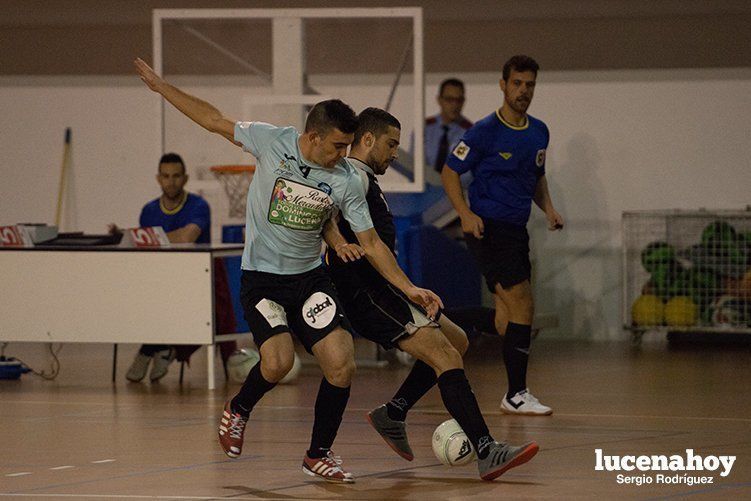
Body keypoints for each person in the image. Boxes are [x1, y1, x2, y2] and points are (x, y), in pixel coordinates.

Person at [134, 57, 442, 484]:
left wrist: (409, 288)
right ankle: (239, 409)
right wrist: (163, 88)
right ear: (312, 137)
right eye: (336, 146)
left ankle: (318, 454)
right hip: (262, 279)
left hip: (309, 279)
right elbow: (213, 119)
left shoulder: (348, 179)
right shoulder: (270, 141)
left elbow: (371, 243)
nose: (343, 155)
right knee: (276, 364)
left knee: (341, 362)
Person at [322, 107, 539, 480]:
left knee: (457, 342)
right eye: (391, 145)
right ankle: (487, 450)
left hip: (384, 288)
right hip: (367, 294)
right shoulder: (350, 177)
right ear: (368, 139)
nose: (395, 154)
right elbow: (342, 229)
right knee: (445, 357)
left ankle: (394, 412)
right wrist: (405, 285)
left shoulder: (361, 178)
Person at [441, 55, 564, 416]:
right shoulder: (483, 131)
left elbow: (536, 177)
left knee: (504, 321)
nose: (523, 90)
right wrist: (465, 213)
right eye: (517, 83)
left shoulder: (539, 131)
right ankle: (516, 394)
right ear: (503, 85)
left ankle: (437, 318)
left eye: (530, 85)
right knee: (524, 303)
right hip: (488, 230)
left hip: (516, 230)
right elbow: (450, 172)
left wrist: (550, 209)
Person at [118, 153, 236, 383]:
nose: (170, 181)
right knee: (144, 294)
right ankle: (155, 347)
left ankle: (160, 348)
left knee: (191, 303)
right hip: (160, 278)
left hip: (196, 279)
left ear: (185, 178)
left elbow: (188, 236)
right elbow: (145, 245)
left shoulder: (199, 205)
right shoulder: (149, 210)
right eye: (165, 176)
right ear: (158, 178)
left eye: (176, 176)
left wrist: (152, 237)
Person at [424, 78, 473, 173]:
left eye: (458, 100)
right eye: (449, 99)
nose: (454, 105)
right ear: (439, 100)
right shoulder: (425, 128)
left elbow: (468, 171)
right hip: (426, 186)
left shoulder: (469, 132)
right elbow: (414, 165)